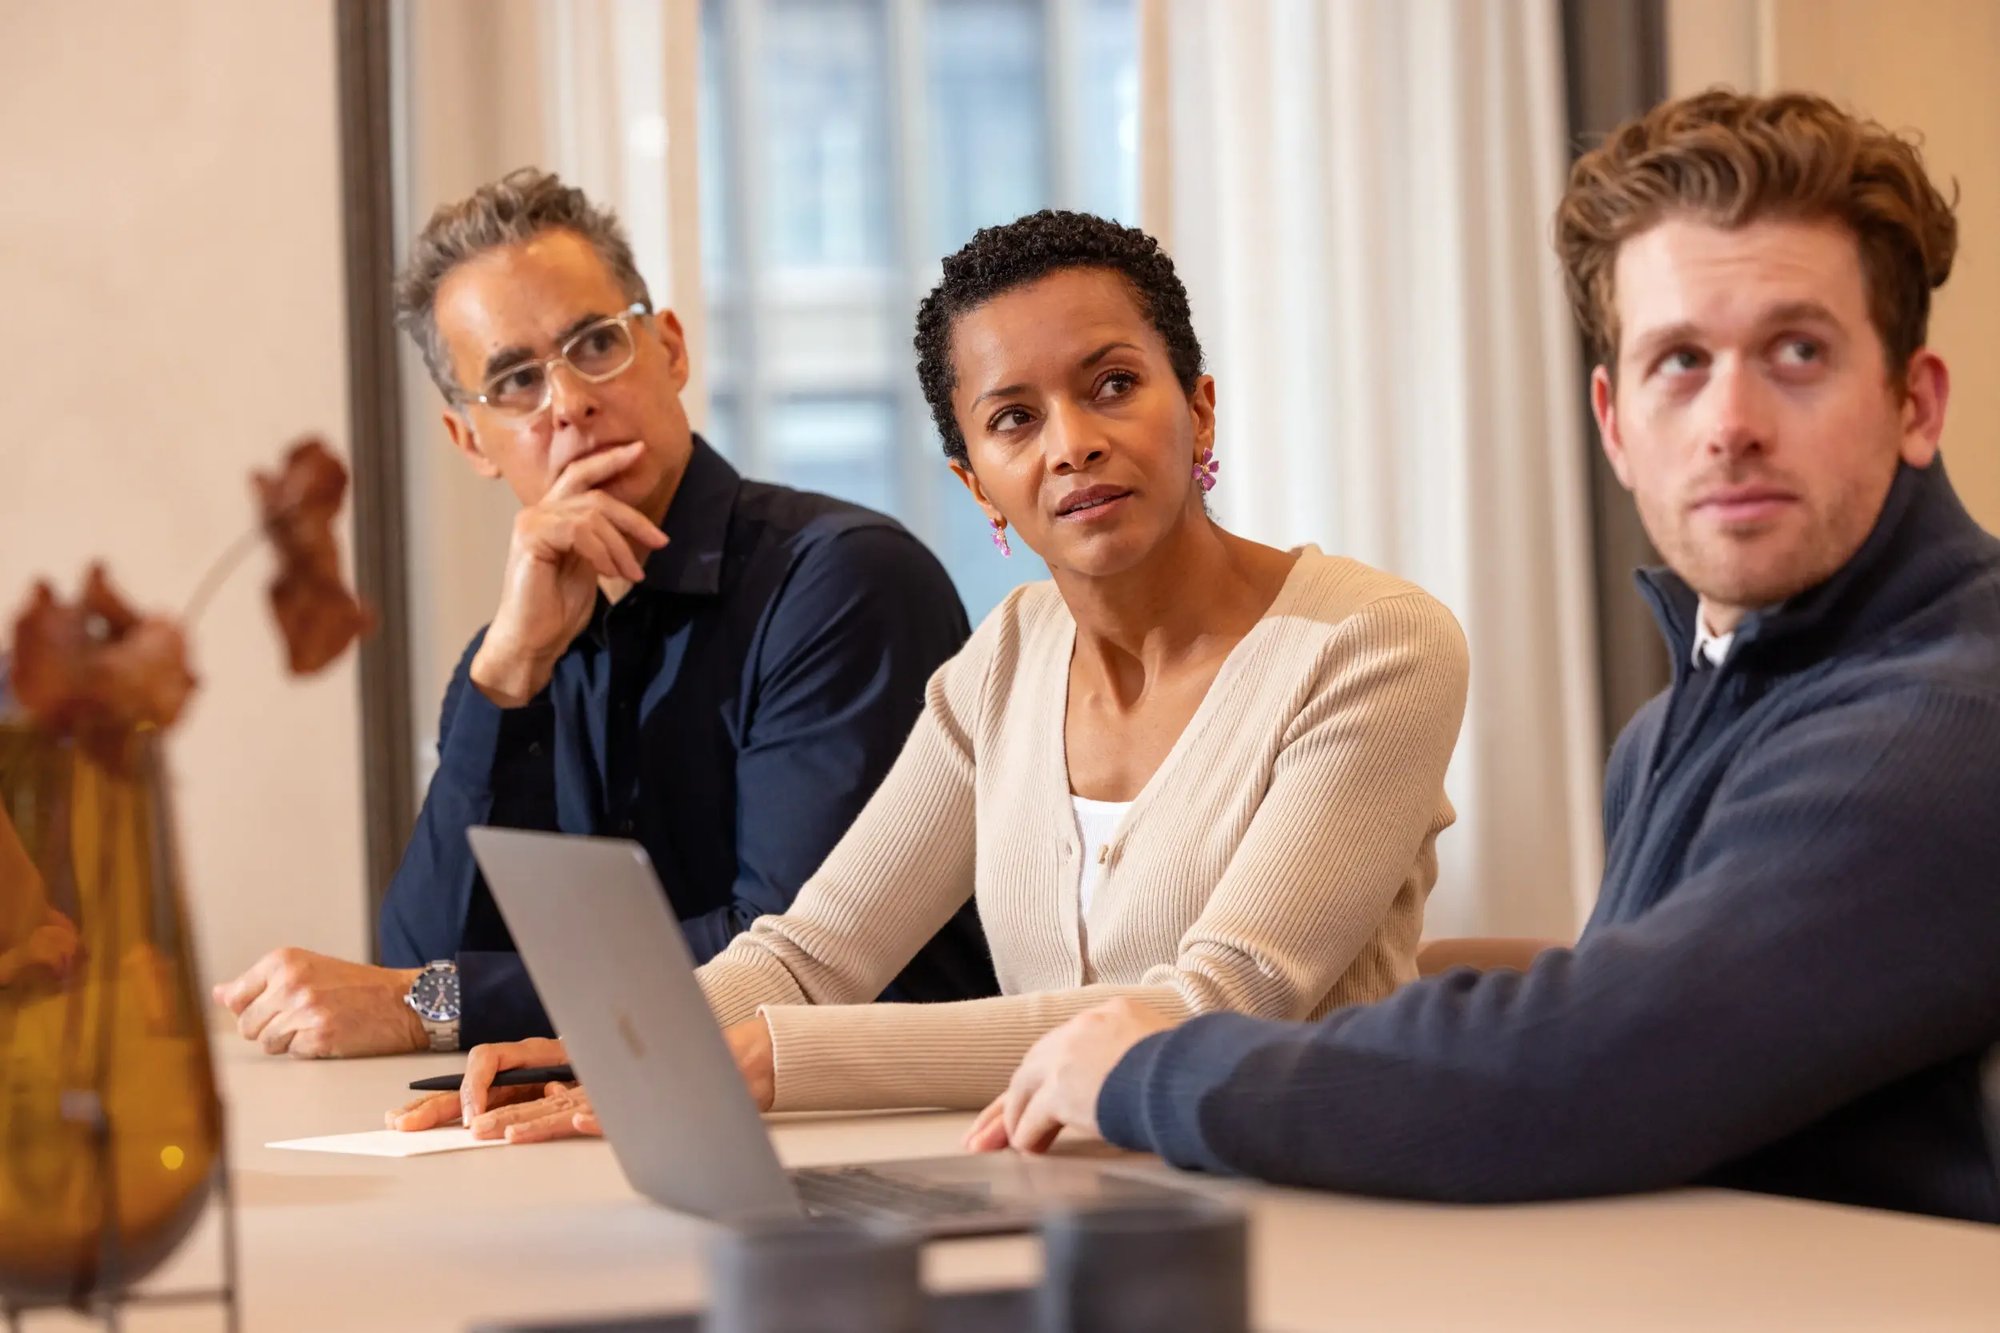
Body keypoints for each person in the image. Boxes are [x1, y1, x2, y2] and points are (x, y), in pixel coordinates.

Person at [975, 90, 2000, 1226]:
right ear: (1613, 425)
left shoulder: (1949, 715)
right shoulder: (1684, 718)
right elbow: (1663, 1015)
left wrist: (1149, 1066)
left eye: (1795, 352)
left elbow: (1585, 1072)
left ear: (1912, 403)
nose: (1729, 422)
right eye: (1678, 362)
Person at [393, 209, 1470, 1139]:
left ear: (1197, 409)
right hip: (1053, 1192)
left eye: (1112, 385)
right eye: (1013, 418)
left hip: (1301, 1191)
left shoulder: (1371, 645)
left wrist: (782, 1056)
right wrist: (619, 1045)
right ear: (974, 481)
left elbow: (1218, 1002)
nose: (1070, 444)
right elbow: (814, 953)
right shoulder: (998, 665)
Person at [211, 169, 996, 1058]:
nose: (570, 402)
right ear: (469, 439)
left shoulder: (845, 581)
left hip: (887, 1140)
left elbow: (791, 955)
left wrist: (430, 1001)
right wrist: (505, 676)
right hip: (632, 1129)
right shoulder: (517, 649)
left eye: (594, 344)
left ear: (670, 349)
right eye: (513, 380)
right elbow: (424, 961)